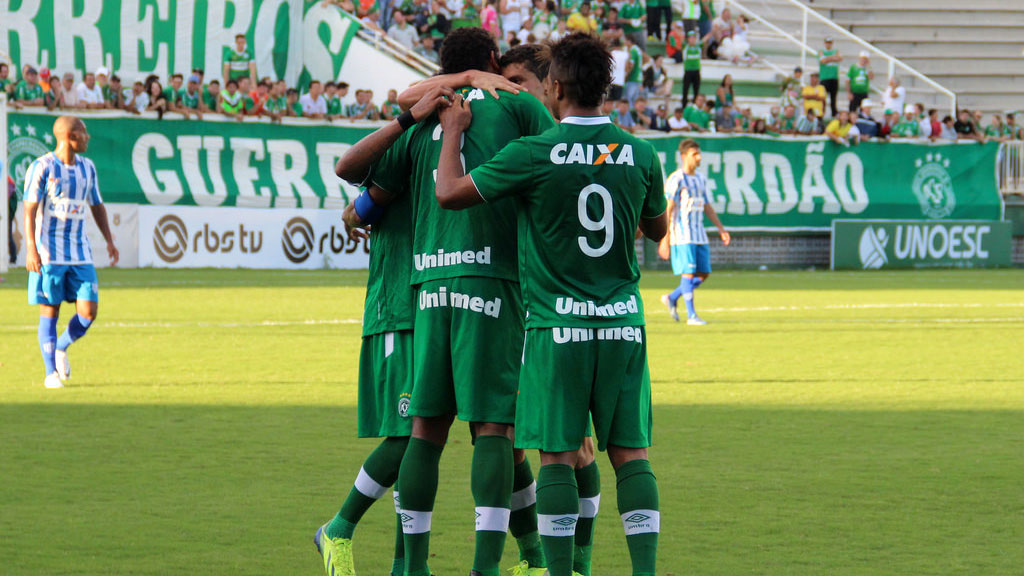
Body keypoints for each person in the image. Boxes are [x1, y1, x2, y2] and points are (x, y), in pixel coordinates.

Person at [433, 32, 668, 576]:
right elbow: (656, 227)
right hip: (623, 328)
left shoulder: (535, 152)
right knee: (631, 456)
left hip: (556, 330)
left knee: (558, 456)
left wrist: (451, 135)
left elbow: (449, 192)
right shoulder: (643, 152)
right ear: (607, 89)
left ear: (555, 86)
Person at [343, 27, 555, 576]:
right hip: (494, 282)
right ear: (491, 62)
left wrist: (356, 213)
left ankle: (412, 567)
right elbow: (563, 166)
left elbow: (363, 193)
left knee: (424, 431)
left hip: (427, 290)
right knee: (494, 430)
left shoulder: (419, 118)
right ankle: (490, 567)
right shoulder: (519, 106)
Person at [22, 116, 118, 389]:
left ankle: (62, 346)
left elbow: (97, 205)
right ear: (70, 136)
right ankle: (50, 373)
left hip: (80, 253)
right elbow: (29, 210)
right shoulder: (42, 167)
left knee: (89, 312)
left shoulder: (88, 168)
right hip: (49, 254)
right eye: (84, 132)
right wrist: (31, 248)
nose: (88, 137)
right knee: (49, 311)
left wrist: (109, 240)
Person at [658, 139, 729, 325]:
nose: (698, 157)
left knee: (703, 273)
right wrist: (664, 238)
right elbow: (669, 208)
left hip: (699, 233)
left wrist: (721, 229)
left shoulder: (700, 179)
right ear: (683, 157)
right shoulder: (676, 179)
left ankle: (673, 297)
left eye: (699, 153)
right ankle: (692, 316)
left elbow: (707, 205)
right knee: (688, 273)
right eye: (694, 154)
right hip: (682, 234)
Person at [819, 37, 841, 118]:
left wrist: (827, 58)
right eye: (827, 42)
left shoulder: (835, 51)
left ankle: (834, 113)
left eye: (830, 43)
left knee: (833, 98)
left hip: (834, 78)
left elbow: (839, 58)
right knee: (823, 98)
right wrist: (832, 58)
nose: (828, 44)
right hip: (824, 78)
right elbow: (822, 61)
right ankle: (821, 113)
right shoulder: (821, 51)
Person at [680, 30, 701, 107]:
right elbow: (681, 40)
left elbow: (704, 40)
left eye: (693, 38)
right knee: (685, 90)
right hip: (688, 71)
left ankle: (695, 105)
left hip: (696, 71)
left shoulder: (698, 47)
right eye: (690, 38)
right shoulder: (685, 47)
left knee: (696, 90)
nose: (692, 39)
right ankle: (684, 105)